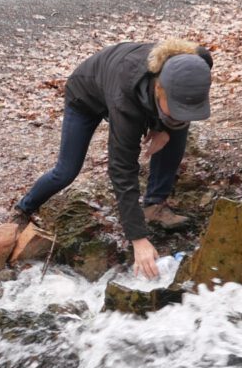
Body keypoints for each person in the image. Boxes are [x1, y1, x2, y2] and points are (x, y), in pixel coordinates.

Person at [13, 39, 213, 280]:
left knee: (176, 135)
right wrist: (138, 240)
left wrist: (166, 128)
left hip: (135, 91)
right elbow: (121, 169)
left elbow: (183, 104)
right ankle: (23, 208)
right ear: (159, 89)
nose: (184, 116)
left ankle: (154, 205)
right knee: (66, 171)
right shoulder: (126, 101)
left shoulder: (197, 62)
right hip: (85, 96)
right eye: (177, 108)